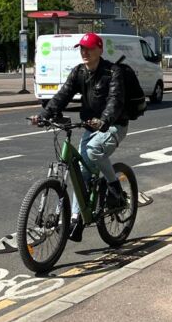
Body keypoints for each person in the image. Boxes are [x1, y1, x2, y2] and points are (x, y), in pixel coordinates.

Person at [35, 32, 128, 242]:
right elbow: (63, 95)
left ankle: (114, 188)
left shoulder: (113, 72)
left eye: (89, 48)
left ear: (100, 50)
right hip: (90, 126)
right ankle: (77, 218)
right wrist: (44, 115)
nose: (84, 52)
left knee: (91, 151)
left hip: (113, 125)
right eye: (82, 49)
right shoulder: (79, 72)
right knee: (81, 172)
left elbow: (115, 100)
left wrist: (104, 120)